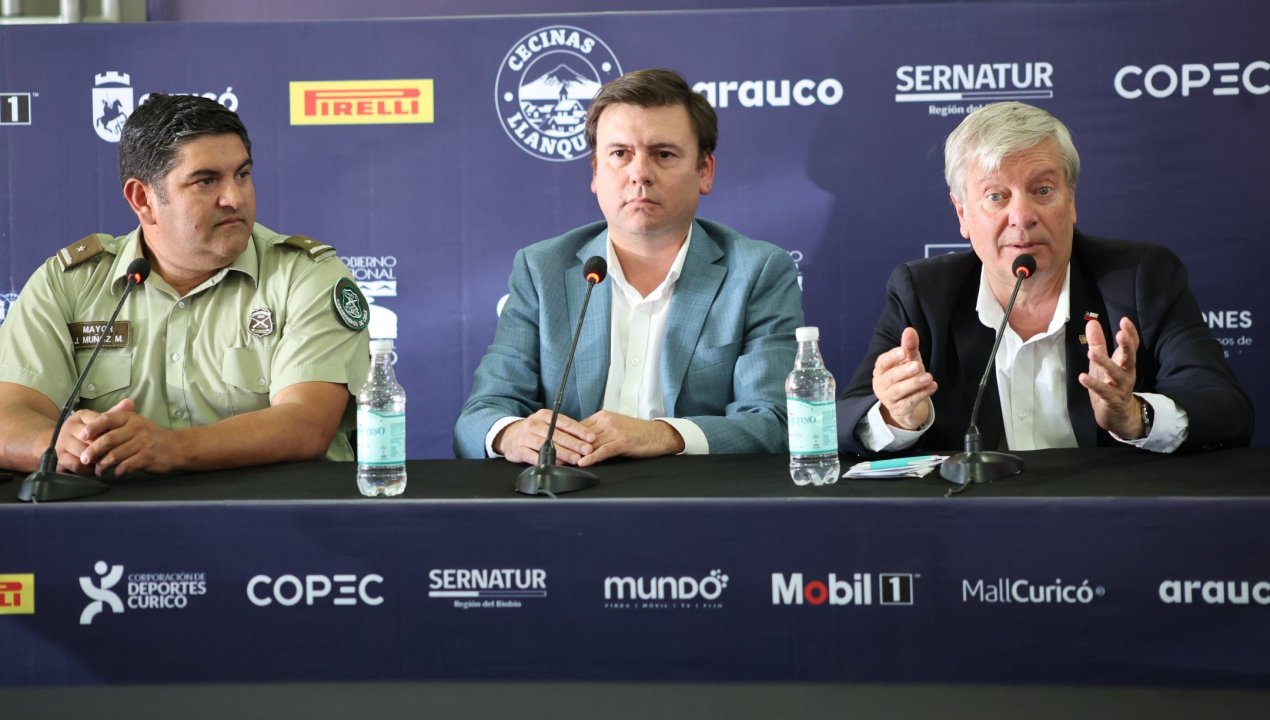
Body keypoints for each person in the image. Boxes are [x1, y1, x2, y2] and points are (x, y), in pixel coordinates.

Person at [838, 101, 1252, 456]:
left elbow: (1225, 408)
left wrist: (1134, 416)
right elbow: (843, 421)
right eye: (996, 196)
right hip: (971, 514)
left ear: (1071, 201)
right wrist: (896, 416)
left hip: (1109, 511)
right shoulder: (924, 294)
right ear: (962, 213)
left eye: (1043, 190)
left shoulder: (1141, 279)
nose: (1022, 217)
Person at [0, 94, 370, 476]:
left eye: (242, 175)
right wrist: (57, 445)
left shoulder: (306, 275)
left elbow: (307, 423)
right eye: (206, 181)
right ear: (142, 199)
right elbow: (8, 417)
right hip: (118, 511)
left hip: (277, 511)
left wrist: (172, 448)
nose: (234, 198)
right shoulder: (68, 285)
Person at [454, 68, 803, 465]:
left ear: (704, 171)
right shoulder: (542, 269)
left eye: (663, 154)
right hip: (570, 491)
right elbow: (478, 418)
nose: (640, 174)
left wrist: (663, 434)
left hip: (696, 493)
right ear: (595, 172)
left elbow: (776, 422)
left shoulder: (757, 272)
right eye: (620, 154)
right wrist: (511, 434)